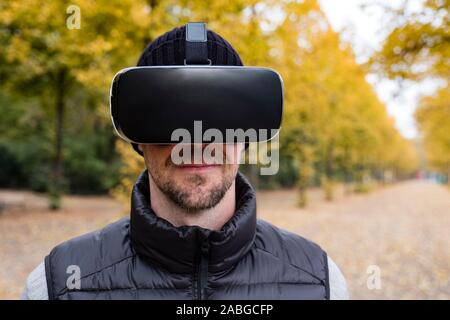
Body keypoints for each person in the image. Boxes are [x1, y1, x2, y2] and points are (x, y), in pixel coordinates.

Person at [21, 25, 348, 300]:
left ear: (245, 136)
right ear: (139, 138)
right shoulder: (57, 287)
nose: (195, 141)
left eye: (219, 118)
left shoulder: (320, 284)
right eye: (169, 118)